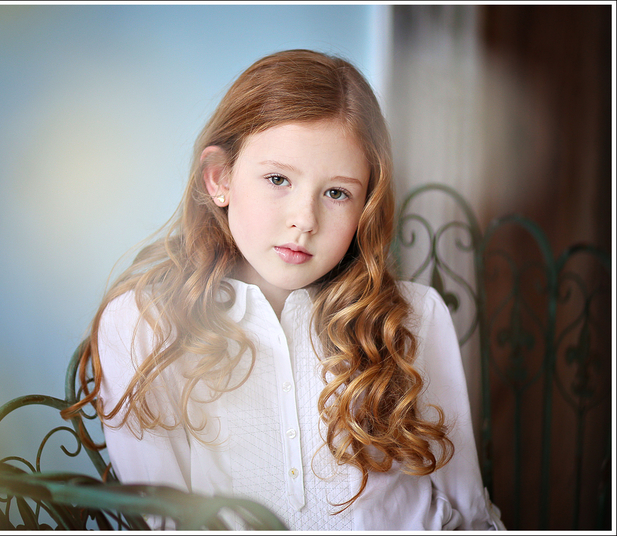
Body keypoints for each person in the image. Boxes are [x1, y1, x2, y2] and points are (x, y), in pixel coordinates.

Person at [63, 49, 504, 530]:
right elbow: (166, 522)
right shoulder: (143, 325)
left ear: (365, 205)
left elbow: (468, 510)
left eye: (336, 193)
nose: (305, 220)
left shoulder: (415, 314)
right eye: (278, 179)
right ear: (220, 178)